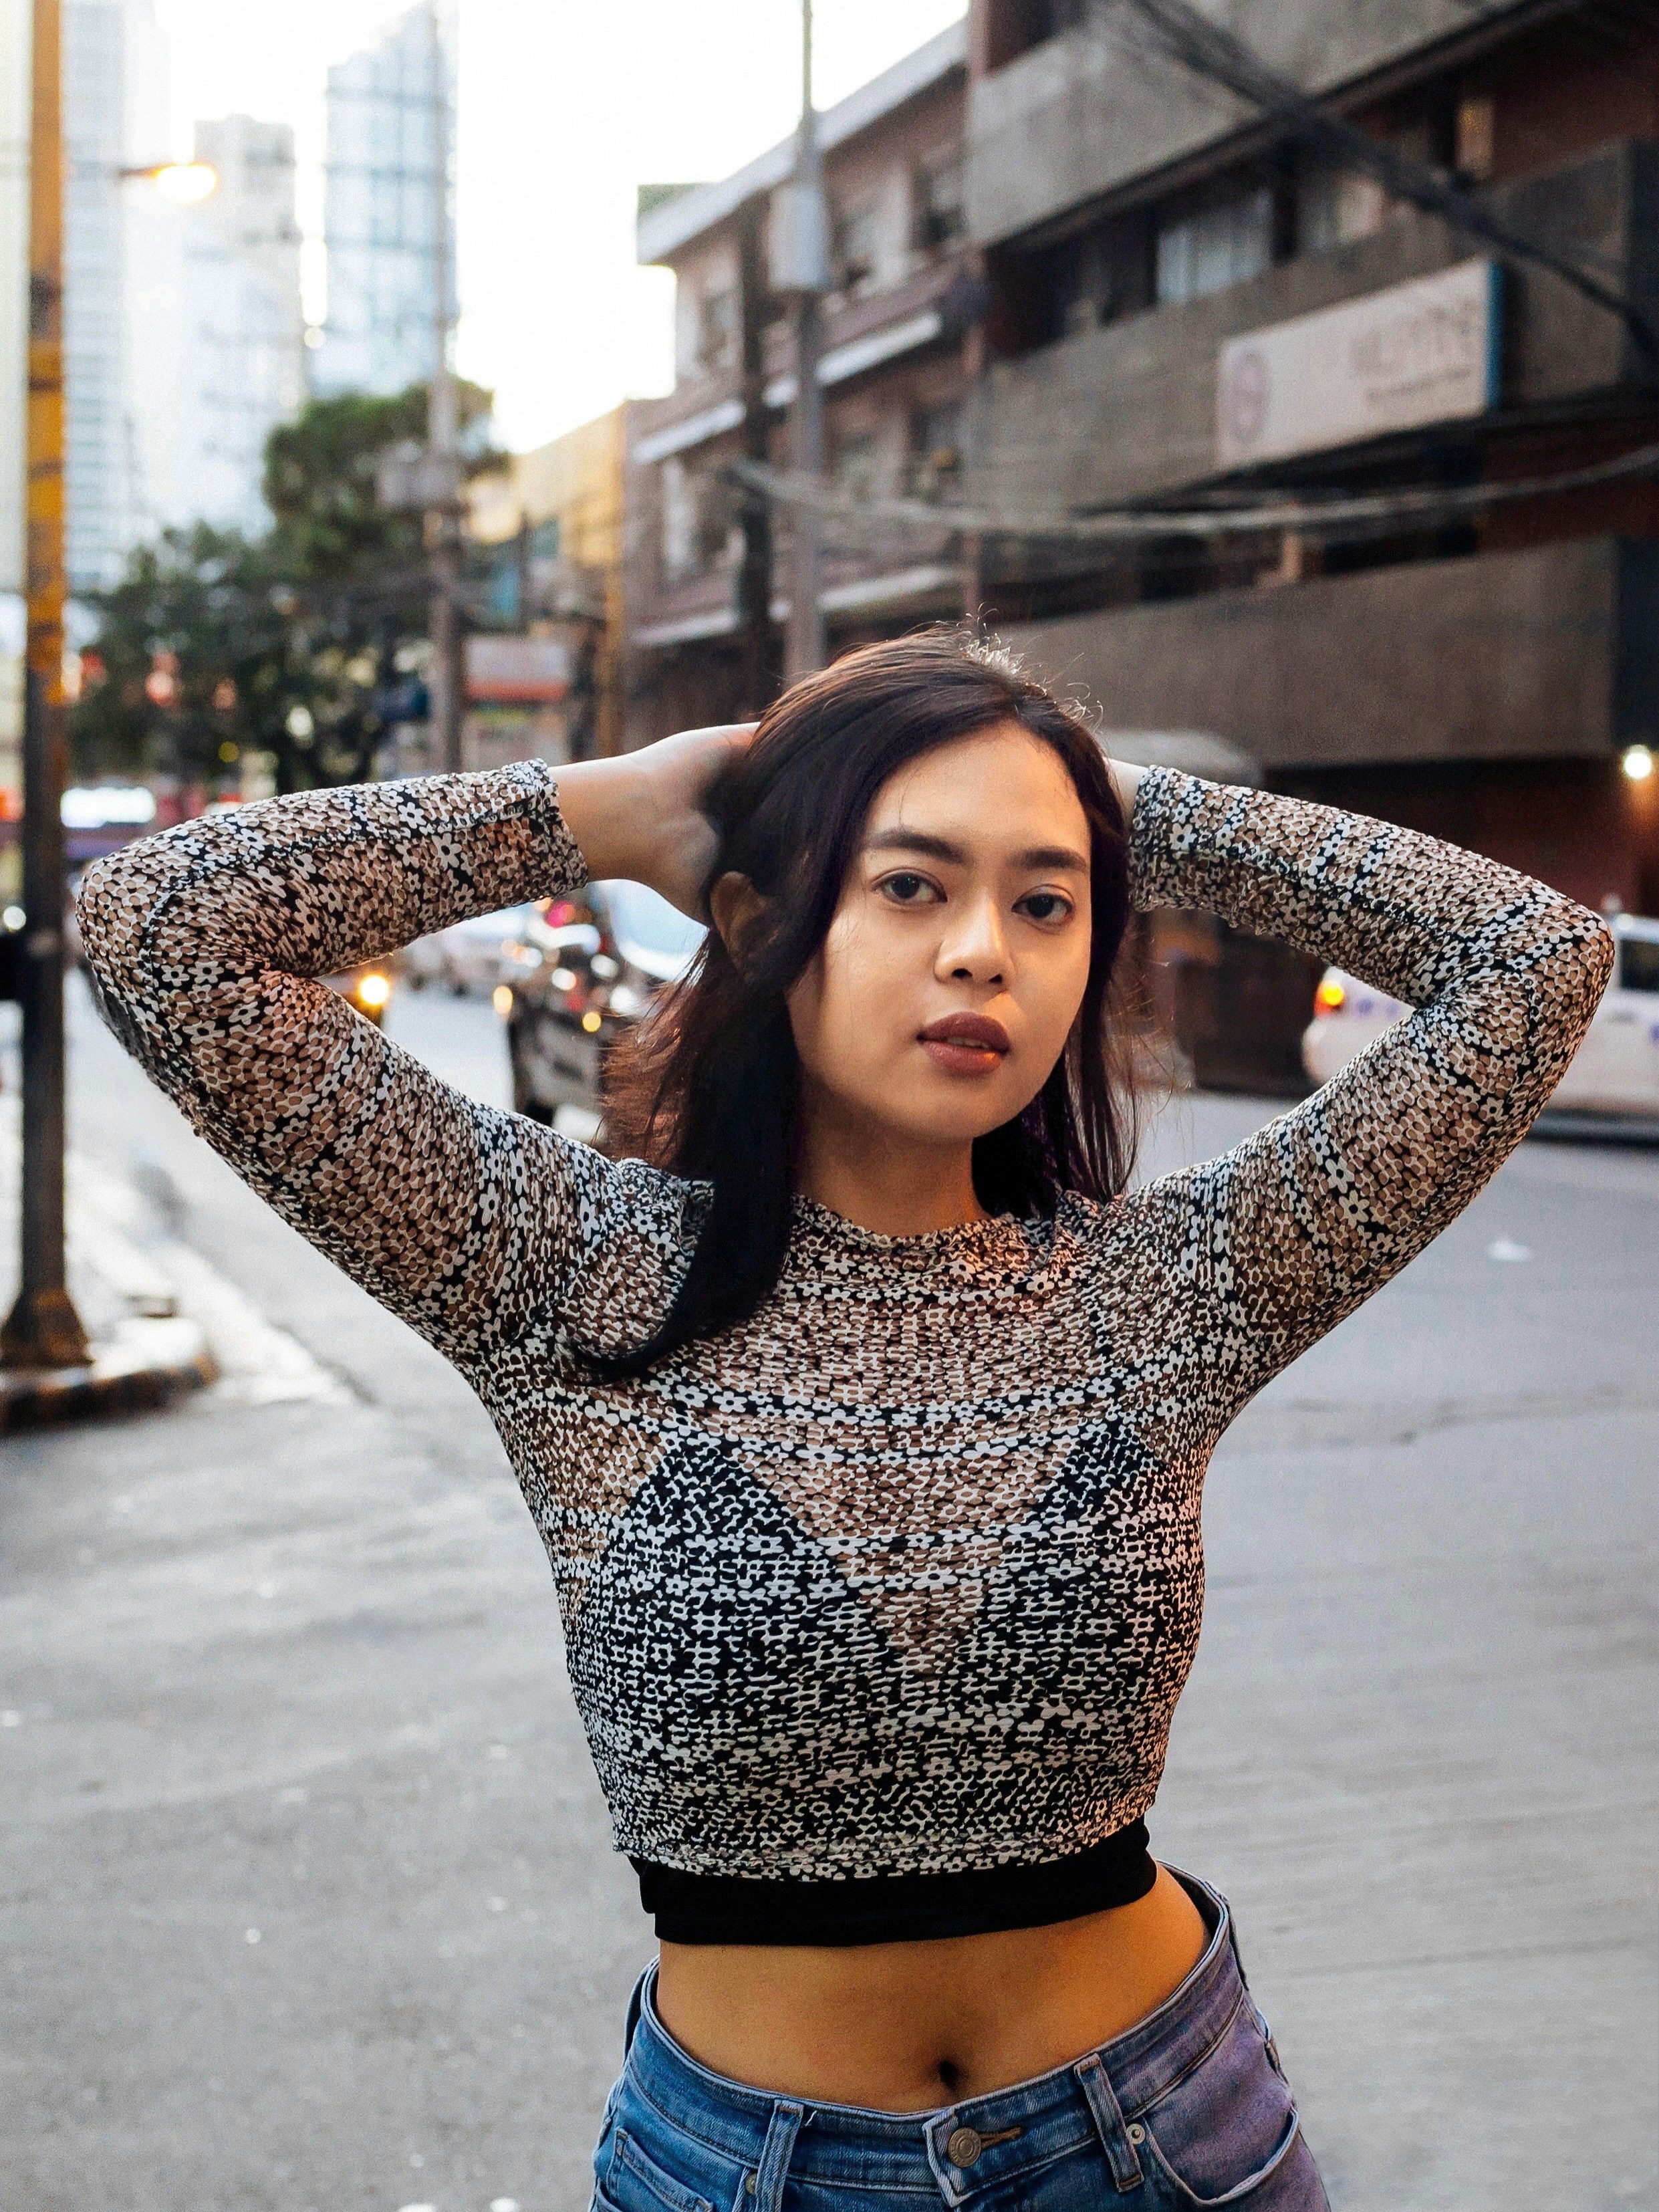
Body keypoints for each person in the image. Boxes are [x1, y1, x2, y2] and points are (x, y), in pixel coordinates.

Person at [78, 633, 1610, 2210]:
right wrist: (605, 807)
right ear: (756, 923)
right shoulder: (561, 1274)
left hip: (1163, 2138)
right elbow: (160, 928)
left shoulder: (1171, 1290)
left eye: (1044, 900)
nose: (980, 953)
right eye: (907, 885)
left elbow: (1534, 959)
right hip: (749, 2168)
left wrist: (1099, 794)